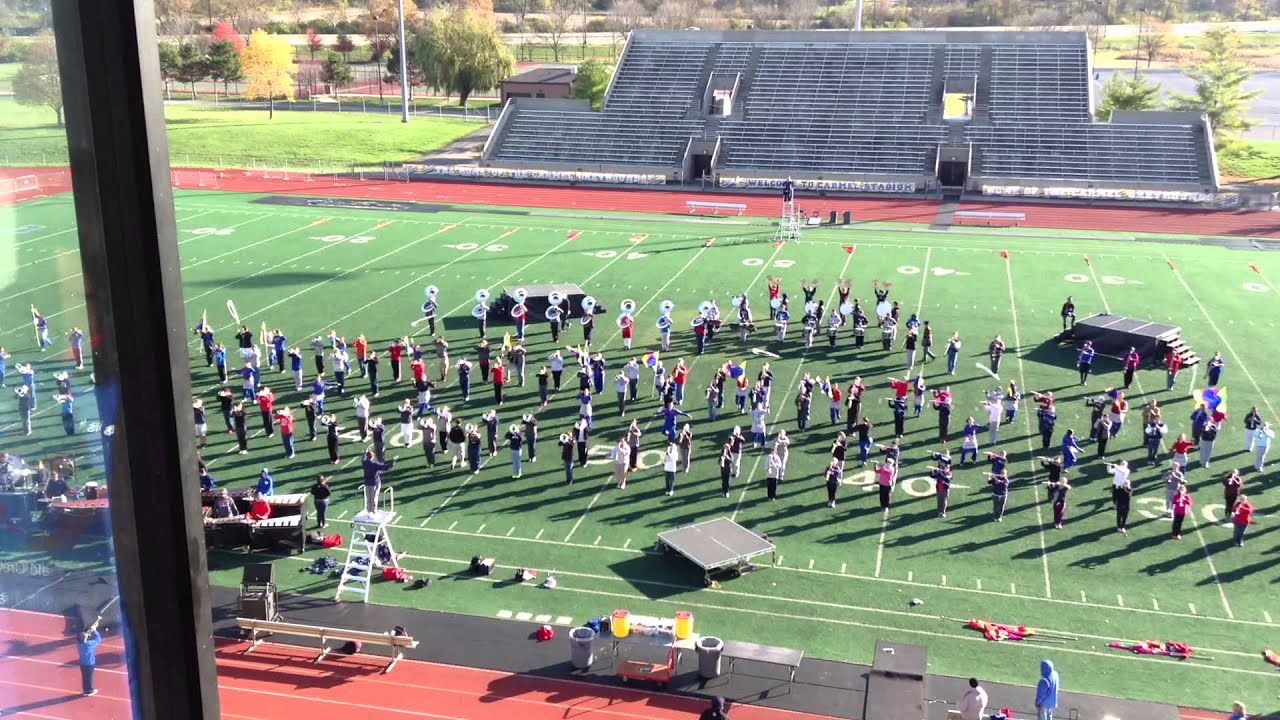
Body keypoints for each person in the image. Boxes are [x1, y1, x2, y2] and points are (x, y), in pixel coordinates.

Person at [77, 625, 102, 696]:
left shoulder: (79, 643)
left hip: (82, 663)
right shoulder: (88, 644)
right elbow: (98, 640)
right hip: (89, 663)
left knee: (85, 677)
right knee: (89, 677)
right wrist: (95, 631)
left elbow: (82, 638)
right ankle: (89, 690)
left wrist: (87, 634)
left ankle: (85, 689)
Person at [1108, 460, 1132, 533]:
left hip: (1125, 502)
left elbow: (1122, 472)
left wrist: (1116, 466)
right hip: (1117, 488)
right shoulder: (1117, 468)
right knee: (1114, 498)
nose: (1122, 464)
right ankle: (1119, 526)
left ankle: (1123, 526)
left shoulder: (1127, 470)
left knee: (1124, 515)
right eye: (1121, 463)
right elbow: (1110, 471)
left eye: (1124, 464)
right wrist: (1109, 466)